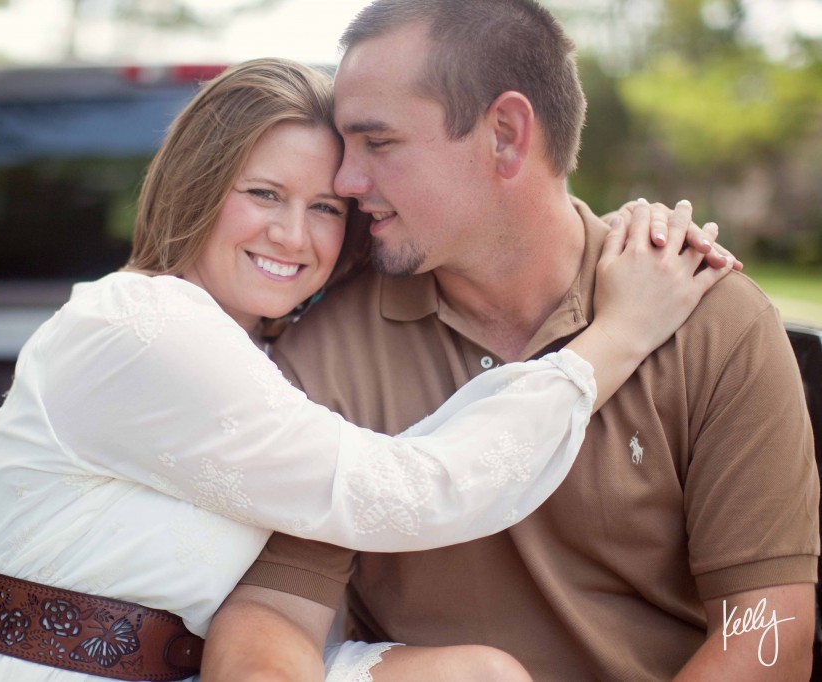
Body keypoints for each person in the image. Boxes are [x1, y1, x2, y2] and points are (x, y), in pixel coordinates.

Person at [0, 58, 733, 682]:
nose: (292, 235)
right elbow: (405, 491)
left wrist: (612, 239)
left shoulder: (268, 353)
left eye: (325, 209)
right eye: (264, 194)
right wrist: (617, 335)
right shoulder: (140, 325)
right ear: (196, 188)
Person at [203, 2, 819, 681]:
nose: (345, 182)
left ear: (504, 135)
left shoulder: (712, 320)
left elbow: (768, 630)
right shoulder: (327, 352)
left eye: (377, 144)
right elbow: (274, 613)